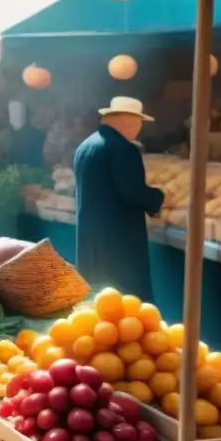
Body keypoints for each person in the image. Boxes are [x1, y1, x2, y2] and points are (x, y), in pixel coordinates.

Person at [74, 97, 165, 302]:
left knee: (96, 301)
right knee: (127, 304)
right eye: (140, 123)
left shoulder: (85, 146)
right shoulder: (124, 149)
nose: (140, 129)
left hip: (90, 239)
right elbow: (133, 191)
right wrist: (158, 197)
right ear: (127, 122)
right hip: (119, 244)